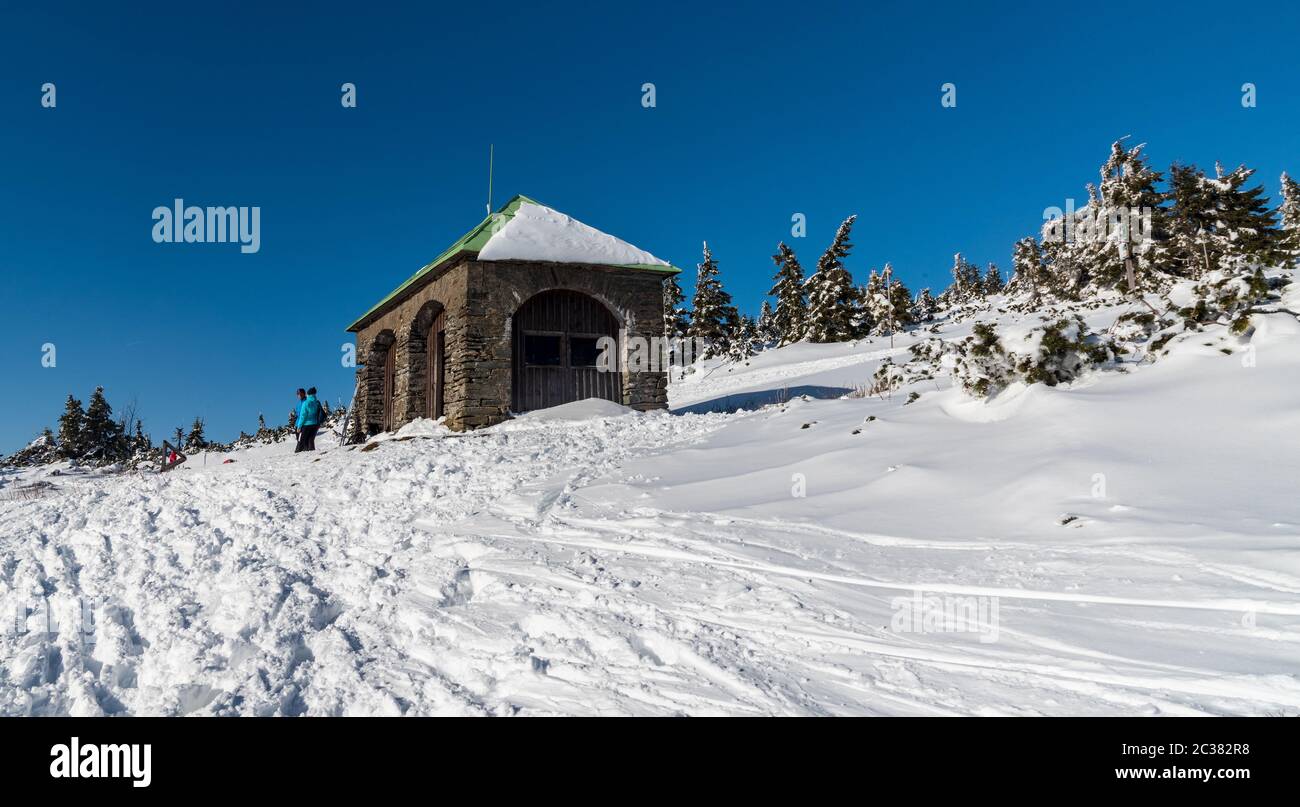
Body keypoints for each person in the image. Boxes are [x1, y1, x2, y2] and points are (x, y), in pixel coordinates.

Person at [294, 387, 324, 453]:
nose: (298, 395)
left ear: (306, 394)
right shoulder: (316, 402)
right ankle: (311, 453)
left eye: (299, 393)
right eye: (297, 394)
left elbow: (303, 416)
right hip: (314, 423)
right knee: (310, 440)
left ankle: (299, 454)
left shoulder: (306, 402)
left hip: (305, 424)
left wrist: (299, 426)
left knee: (301, 441)